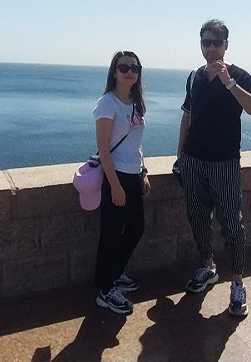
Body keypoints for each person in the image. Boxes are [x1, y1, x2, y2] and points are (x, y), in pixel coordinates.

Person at [177, 19, 251, 317]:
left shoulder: (239, 76)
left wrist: (229, 83)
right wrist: (180, 156)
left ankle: (237, 283)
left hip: (225, 163)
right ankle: (208, 266)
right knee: (197, 217)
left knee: (232, 223)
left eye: (217, 42)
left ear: (226, 45)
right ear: (201, 45)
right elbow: (187, 116)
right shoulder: (194, 77)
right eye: (206, 42)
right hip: (193, 160)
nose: (211, 48)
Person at [93, 51, 150, 315]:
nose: (129, 72)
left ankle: (114, 273)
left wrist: (143, 171)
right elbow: (103, 149)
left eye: (134, 68)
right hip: (115, 175)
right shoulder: (107, 103)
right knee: (111, 234)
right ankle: (105, 289)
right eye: (123, 67)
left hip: (133, 174)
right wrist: (114, 185)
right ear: (114, 72)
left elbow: (136, 143)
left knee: (136, 228)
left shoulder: (135, 103)